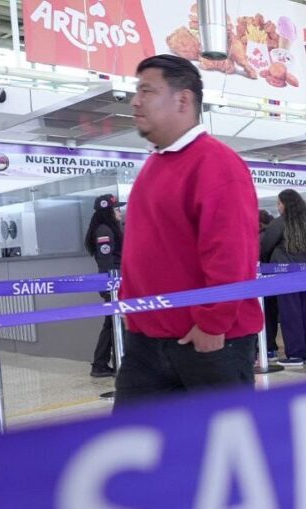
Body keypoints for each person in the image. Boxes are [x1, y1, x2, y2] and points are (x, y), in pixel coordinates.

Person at [115, 54, 262, 408]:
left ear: (183, 99)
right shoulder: (155, 164)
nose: (135, 101)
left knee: (225, 452)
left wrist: (213, 323)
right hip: (148, 344)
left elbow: (232, 252)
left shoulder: (217, 163)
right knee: (135, 448)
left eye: (147, 91)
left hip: (207, 345)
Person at [260, 189, 306, 367]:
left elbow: (265, 245)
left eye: (279, 203)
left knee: (290, 313)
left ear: (285, 204)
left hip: (285, 273)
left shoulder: (279, 223)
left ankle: (295, 354)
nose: (278, 207)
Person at [84, 193, 124, 378]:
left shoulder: (110, 229)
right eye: (116, 209)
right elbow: (106, 261)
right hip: (112, 283)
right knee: (113, 324)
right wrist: (111, 287)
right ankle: (105, 363)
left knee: (111, 323)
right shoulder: (104, 231)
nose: (120, 213)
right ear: (107, 212)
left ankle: (102, 364)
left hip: (115, 282)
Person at [258, 209, 280, 360]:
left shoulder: (257, 236)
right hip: (273, 281)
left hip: (259, 281)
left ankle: (264, 348)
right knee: (272, 314)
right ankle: (271, 347)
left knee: (264, 315)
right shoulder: (273, 234)